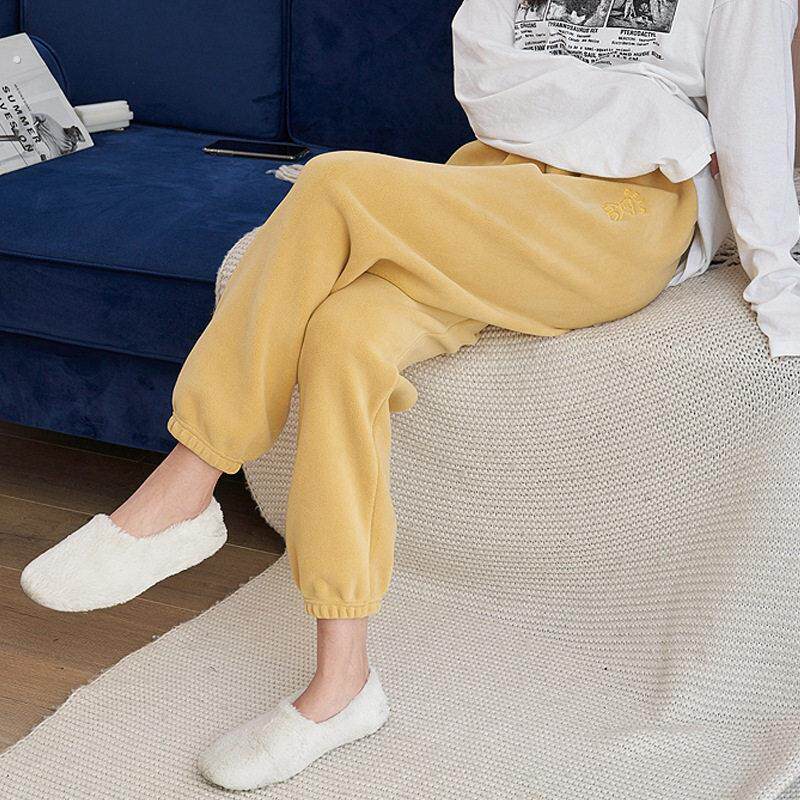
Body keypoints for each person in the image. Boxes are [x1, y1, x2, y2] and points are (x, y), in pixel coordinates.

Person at [19, 0, 799, 790]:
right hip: (492, 183)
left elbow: (755, 126)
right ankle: (342, 687)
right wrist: (652, 111)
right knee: (342, 339)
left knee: (334, 183)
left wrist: (779, 293)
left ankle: (189, 479)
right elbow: (483, 74)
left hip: (624, 213)